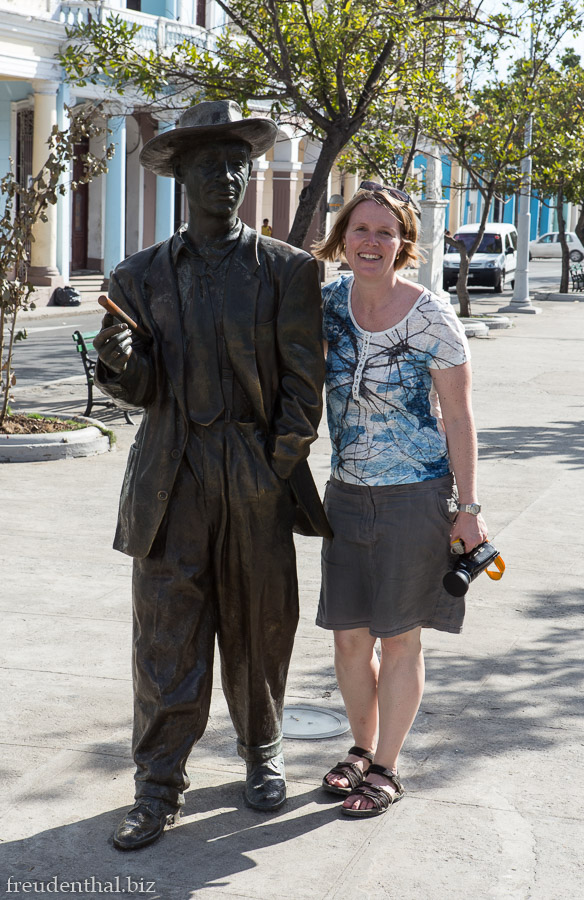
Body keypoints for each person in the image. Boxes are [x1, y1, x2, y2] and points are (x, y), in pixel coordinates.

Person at [92, 100, 331, 851]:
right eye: (209, 167)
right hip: (171, 476)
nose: (226, 178)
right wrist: (118, 367)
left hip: (253, 472)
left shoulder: (288, 271)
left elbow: (304, 386)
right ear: (181, 177)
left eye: (237, 165)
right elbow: (138, 389)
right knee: (166, 635)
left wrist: (277, 464)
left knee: (261, 625)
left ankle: (263, 751)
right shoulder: (138, 275)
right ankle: (157, 785)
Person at [312, 181, 487, 818]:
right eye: (361, 229)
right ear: (343, 238)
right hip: (346, 494)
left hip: (416, 495)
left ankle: (386, 766)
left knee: (401, 639)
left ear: (403, 244)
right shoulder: (327, 304)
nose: (372, 242)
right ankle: (361, 747)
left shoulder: (432, 315)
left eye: (387, 232)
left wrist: (467, 509)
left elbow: (461, 419)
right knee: (349, 640)